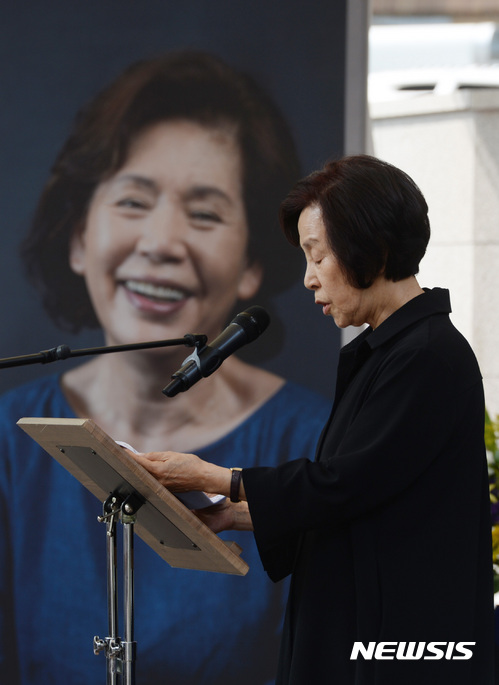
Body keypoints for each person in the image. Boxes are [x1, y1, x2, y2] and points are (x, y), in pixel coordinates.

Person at [0, 52, 330, 685]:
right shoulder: (9, 443)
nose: (160, 243)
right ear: (78, 238)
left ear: (253, 264)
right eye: (133, 201)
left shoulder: (316, 446)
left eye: (204, 213)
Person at [130, 155, 496, 684]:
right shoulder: (388, 350)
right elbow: (358, 499)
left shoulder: (429, 354)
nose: (307, 279)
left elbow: (346, 483)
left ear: (372, 248)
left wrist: (215, 478)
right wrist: (233, 515)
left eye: (317, 256)